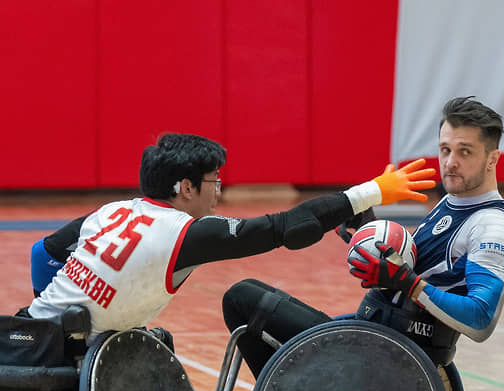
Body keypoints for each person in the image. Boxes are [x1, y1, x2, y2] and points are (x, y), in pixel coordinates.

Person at [20, 132, 437, 344]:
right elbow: (286, 229)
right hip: (70, 354)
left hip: (29, 334)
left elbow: (44, 253)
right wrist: (372, 191)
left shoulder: (111, 210)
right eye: (213, 181)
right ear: (185, 187)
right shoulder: (186, 234)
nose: (218, 190)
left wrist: (62, 313)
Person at [222, 96, 504, 379]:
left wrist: (408, 284)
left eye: (465, 151)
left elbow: (480, 321)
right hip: (373, 336)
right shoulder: (453, 202)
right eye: (445, 149)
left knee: (241, 299)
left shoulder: (491, 226)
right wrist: (369, 229)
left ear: (492, 159)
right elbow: (415, 269)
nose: (450, 162)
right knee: (248, 290)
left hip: (390, 358)